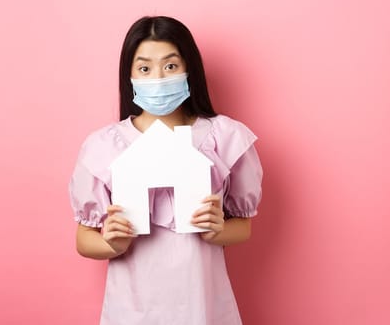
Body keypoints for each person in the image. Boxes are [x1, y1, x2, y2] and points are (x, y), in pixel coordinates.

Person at [69, 16, 262, 325]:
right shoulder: (103, 146)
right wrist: (111, 243)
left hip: (204, 304)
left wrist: (217, 231)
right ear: (129, 75)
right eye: (145, 68)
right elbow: (83, 239)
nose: (158, 78)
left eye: (170, 66)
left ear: (189, 70)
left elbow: (243, 226)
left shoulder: (225, 137)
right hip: (132, 308)